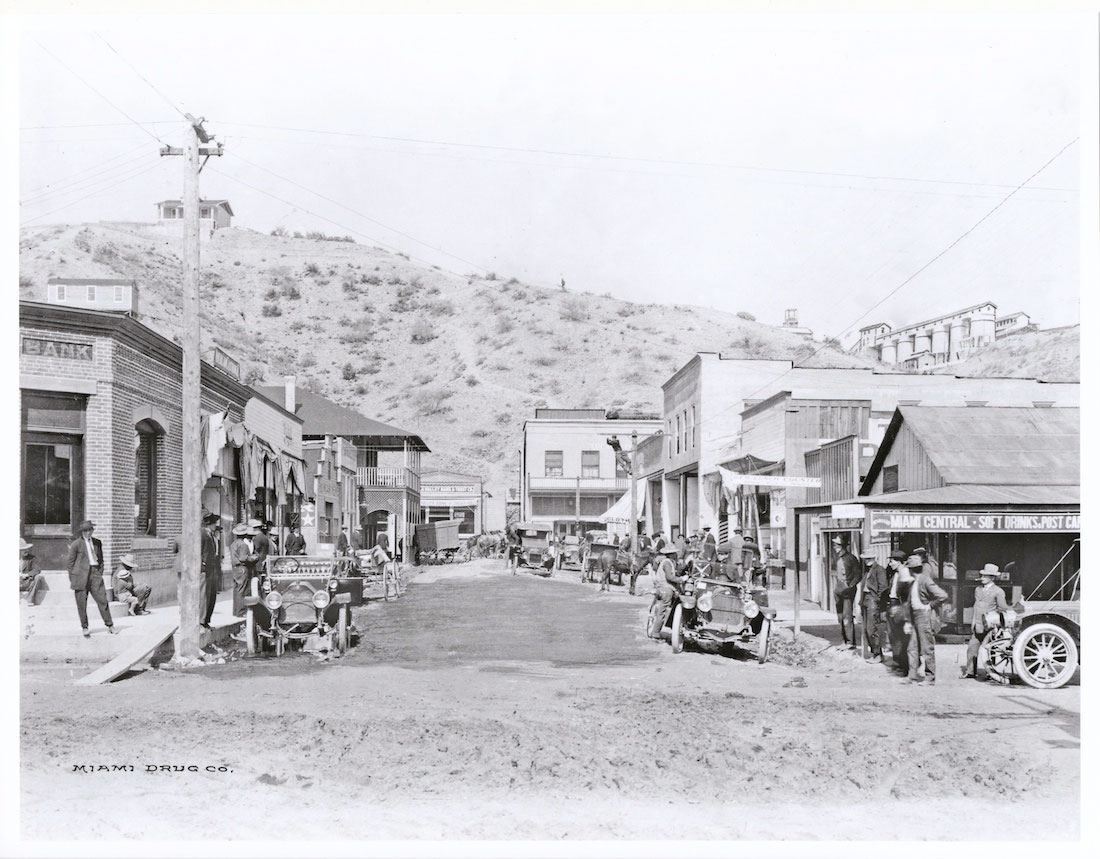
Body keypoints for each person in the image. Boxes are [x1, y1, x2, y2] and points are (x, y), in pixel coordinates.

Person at [903, 553, 949, 685]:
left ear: (911, 569)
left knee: (926, 648)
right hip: (916, 616)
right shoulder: (914, 581)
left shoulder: (925, 580)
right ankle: (912, 675)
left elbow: (943, 596)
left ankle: (930, 677)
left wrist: (930, 605)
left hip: (924, 616)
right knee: (912, 647)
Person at [66, 520, 116, 638]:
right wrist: (74, 578)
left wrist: (99, 572)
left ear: (93, 530)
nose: (88, 533)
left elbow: (101, 560)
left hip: (95, 574)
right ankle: (85, 627)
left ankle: (110, 625)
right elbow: (70, 564)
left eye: (90, 530)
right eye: (85, 531)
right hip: (80, 577)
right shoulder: (76, 544)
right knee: (81, 603)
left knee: (102, 600)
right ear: (82, 532)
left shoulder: (97, 543)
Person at [961, 563, 1009, 680]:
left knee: (990, 649)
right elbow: (976, 605)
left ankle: (990, 673)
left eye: (985, 576)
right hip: (977, 624)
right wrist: (973, 622)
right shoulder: (978, 589)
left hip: (990, 625)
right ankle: (970, 671)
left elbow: (1002, 608)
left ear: (992, 578)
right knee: (972, 648)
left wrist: (996, 622)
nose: (982, 578)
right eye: (982, 576)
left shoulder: (998, 591)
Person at [858, 549, 889, 662]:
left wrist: (877, 600)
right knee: (866, 629)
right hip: (865, 599)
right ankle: (874, 653)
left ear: (874, 558)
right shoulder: (867, 571)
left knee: (872, 629)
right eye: (866, 558)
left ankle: (878, 654)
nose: (867, 561)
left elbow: (883, 587)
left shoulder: (879, 570)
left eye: (869, 558)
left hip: (872, 600)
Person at [884, 550, 912, 674]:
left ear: (900, 562)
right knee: (893, 635)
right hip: (892, 603)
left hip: (900, 606)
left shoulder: (906, 575)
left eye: (892, 561)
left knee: (902, 636)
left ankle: (904, 664)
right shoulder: (894, 574)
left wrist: (903, 609)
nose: (890, 564)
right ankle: (897, 661)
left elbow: (907, 595)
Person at [650, 544, 686, 638]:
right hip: (665, 589)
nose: (676, 555)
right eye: (675, 553)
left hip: (661, 588)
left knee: (662, 610)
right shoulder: (667, 563)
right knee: (662, 612)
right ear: (672, 554)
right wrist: (682, 579)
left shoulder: (667, 562)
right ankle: (656, 633)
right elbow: (670, 577)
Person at [832, 536, 861, 648]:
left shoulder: (851, 558)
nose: (835, 547)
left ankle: (850, 642)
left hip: (847, 590)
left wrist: (850, 585)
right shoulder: (838, 558)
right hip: (839, 589)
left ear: (842, 546)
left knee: (847, 617)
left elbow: (858, 574)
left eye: (837, 545)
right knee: (840, 617)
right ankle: (844, 640)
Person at [231, 523, 261, 617]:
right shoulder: (243, 545)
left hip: (236, 568)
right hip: (243, 568)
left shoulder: (234, 543)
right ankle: (241, 611)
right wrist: (253, 558)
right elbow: (243, 558)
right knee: (242, 590)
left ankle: (236, 611)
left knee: (237, 590)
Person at [200, 512, 221, 628]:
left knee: (211, 595)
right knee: (204, 595)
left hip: (212, 569)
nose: (215, 526)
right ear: (209, 524)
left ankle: (207, 619)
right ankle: (202, 620)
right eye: (214, 523)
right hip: (205, 570)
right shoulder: (202, 534)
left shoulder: (211, 535)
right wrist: (202, 564)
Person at [19, 538, 46, 606]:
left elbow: (37, 569)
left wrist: (27, 574)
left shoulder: (31, 558)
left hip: (27, 582)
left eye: (27, 549)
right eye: (23, 550)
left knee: (38, 577)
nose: (26, 550)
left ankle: (30, 599)